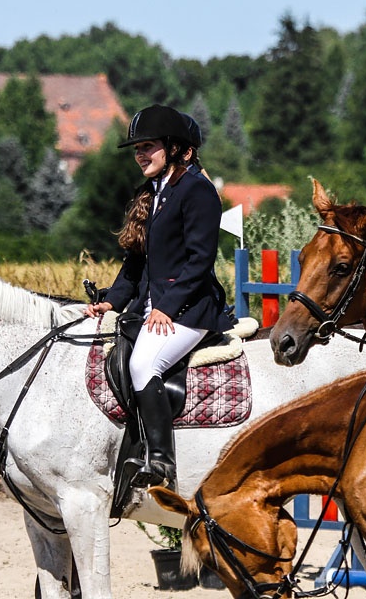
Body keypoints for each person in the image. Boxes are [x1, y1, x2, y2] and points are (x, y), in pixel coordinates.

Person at [84, 104, 233, 489]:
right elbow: (135, 263)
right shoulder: (150, 192)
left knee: (143, 365)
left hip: (190, 310)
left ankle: (162, 463)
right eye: (137, 149)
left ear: (178, 149)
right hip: (150, 309)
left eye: (148, 147)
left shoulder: (198, 191)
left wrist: (166, 306)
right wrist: (112, 302)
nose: (140, 155)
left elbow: (199, 262)